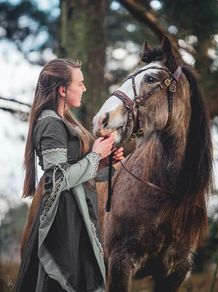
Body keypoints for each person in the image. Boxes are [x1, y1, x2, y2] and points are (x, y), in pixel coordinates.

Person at [16, 58, 124, 292]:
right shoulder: (50, 124)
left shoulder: (65, 121)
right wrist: (94, 156)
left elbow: (76, 174)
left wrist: (104, 161)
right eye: (80, 83)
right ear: (63, 89)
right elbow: (57, 180)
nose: (84, 88)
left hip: (77, 218)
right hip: (62, 224)